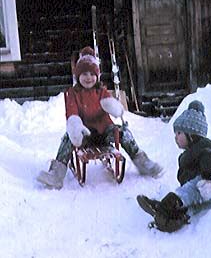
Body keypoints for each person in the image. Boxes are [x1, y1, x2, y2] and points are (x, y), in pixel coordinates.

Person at [37, 46, 163, 189]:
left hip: (104, 132)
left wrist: (113, 107)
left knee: (124, 132)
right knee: (67, 138)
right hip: (84, 135)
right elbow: (72, 114)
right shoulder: (73, 93)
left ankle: (142, 163)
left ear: (97, 76)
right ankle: (56, 174)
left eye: (92, 73)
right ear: (78, 76)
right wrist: (75, 126)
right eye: (84, 74)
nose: (88, 77)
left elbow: (110, 104)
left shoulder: (101, 91)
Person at [137, 100, 211, 232]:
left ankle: (165, 205)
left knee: (190, 190)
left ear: (192, 134)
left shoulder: (204, 144)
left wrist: (208, 178)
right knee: (192, 199)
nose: (176, 137)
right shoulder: (187, 155)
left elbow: (209, 155)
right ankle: (173, 218)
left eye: (179, 133)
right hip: (207, 193)